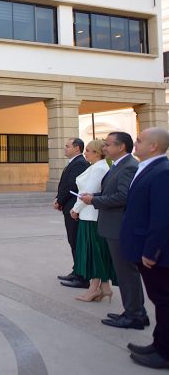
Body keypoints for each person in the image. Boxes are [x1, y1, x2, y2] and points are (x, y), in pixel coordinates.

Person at [80, 132, 148, 329]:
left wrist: (95, 200)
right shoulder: (118, 166)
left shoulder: (128, 167)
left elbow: (122, 196)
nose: (105, 148)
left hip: (119, 227)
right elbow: (112, 192)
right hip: (112, 226)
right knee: (125, 272)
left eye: (108, 145)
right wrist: (94, 196)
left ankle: (134, 314)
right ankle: (133, 311)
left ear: (121, 147)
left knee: (127, 273)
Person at [120, 128, 169, 369]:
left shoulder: (162, 172)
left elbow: (162, 219)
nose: (135, 143)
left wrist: (152, 251)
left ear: (153, 146)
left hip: (155, 255)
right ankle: (158, 344)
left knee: (164, 301)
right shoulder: (148, 168)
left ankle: (165, 352)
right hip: (142, 248)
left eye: (139, 140)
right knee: (160, 301)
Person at [69, 140, 115, 302]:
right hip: (90, 215)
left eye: (88, 150)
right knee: (96, 253)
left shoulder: (99, 168)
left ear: (97, 152)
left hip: (91, 216)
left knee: (93, 253)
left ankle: (93, 289)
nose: (85, 153)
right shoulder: (98, 167)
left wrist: (75, 209)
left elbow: (87, 193)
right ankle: (104, 287)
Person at [55, 138, 90, 288]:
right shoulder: (74, 162)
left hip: (72, 207)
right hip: (68, 206)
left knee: (76, 241)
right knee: (72, 240)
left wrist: (60, 200)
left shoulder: (80, 163)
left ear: (77, 148)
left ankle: (82, 276)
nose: (65, 149)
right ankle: (77, 270)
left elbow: (71, 185)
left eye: (67, 146)